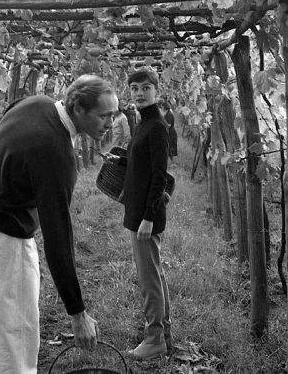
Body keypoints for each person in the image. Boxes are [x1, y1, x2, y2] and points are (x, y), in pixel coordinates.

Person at [0, 74, 118, 374]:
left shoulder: (37, 103)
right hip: (2, 236)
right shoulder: (57, 154)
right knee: (16, 331)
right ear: (79, 109)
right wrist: (77, 312)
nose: (110, 123)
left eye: (113, 114)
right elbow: (58, 238)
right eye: (104, 115)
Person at [120, 68, 172, 360]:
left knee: (149, 278)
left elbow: (159, 176)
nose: (139, 93)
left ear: (156, 91)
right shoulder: (143, 124)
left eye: (145, 87)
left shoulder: (156, 127)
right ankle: (163, 332)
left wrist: (149, 216)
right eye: (134, 88)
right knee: (155, 273)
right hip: (138, 212)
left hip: (145, 216)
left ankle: (154, 339)